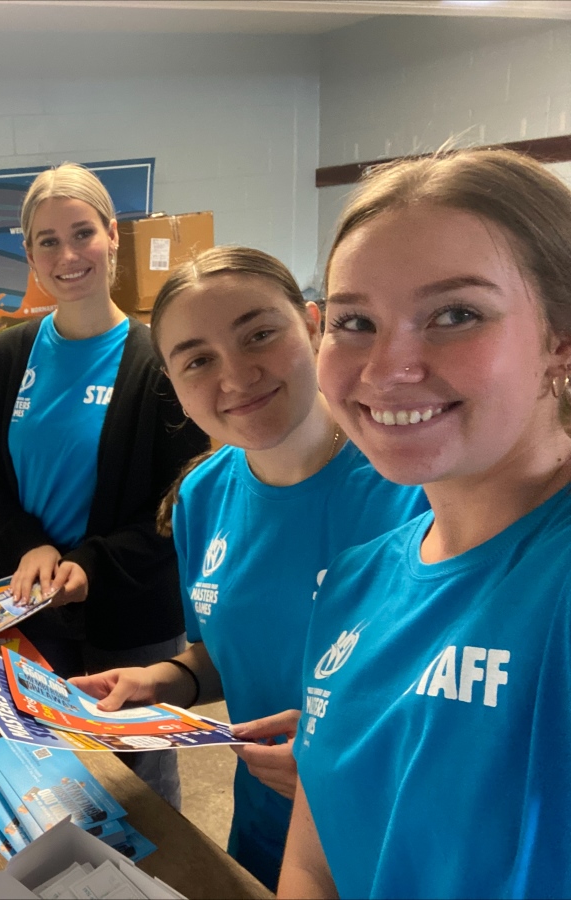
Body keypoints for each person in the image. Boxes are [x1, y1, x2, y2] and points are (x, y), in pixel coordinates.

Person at [69, 246, 427, 889]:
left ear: (313, 325)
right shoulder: (200, 497)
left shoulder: (416, 488)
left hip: (394, 839)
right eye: (198, 360)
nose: (235, 377)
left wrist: (347, 763)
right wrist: (163, 682)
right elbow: (223, 656)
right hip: (265, 831)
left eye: (259, 334)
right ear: (174, 386)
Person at [279, 148, 571, 899]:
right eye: (354, 322)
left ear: (559, 340)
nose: (384, 368)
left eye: (455, 315)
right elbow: (317, 859)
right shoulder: (356, 580)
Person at [0, 162, 210, 809]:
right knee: (42, 767)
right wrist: (29, 547)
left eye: (81, 233)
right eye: (47, 240)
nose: (67, 255)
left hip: (131, 617)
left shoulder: (159, 362)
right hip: (30, 605)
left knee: (137, 782)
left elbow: (176, 505)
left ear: (112, 237)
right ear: (29, 252)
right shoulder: (0, 358)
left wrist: (89, 565)